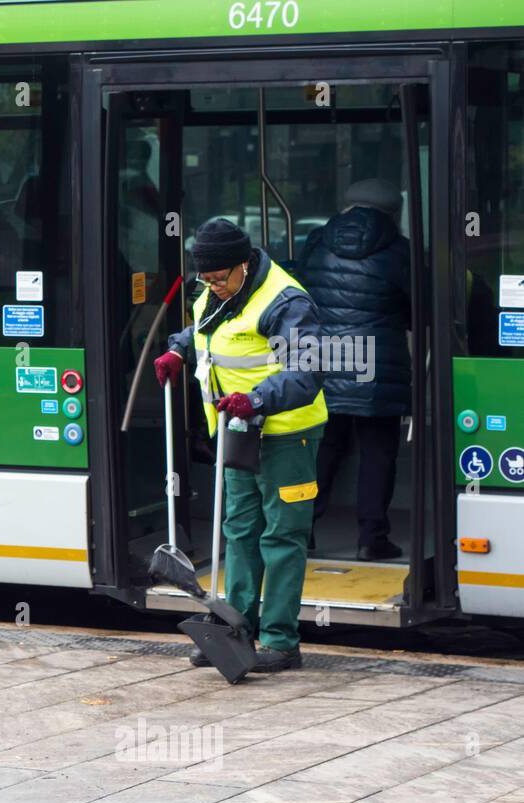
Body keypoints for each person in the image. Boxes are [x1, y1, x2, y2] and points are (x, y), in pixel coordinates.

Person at [154, 219, 328, 672]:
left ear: (244, 266)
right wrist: (177, 349)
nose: (210, 287)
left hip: (288, 433)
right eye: (204, 280)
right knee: (239, 531)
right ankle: (235, 628)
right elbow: (204, 334)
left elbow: (306, 374)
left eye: (217, 278)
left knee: (282, 536)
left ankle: (280, 642)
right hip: (236, 431)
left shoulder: (286, 301)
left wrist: (254, 400)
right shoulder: (216, 293)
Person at [295, 178, 411, 560]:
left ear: (347, 206)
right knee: (378, 453)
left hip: (325, 361)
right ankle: (370, 539)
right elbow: (417, 309)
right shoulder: (399, 250)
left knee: (325, 448)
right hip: (378, 369)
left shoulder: (316, 243)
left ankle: (303, 530)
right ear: (394, 212)